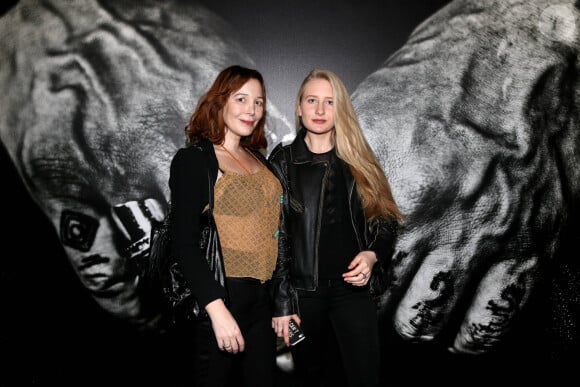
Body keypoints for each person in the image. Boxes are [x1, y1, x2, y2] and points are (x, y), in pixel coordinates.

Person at [268, 68, 402, 387]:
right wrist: (283, 303)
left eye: (329, 102)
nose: (319, 110)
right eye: (311, 100)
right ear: (298, 107)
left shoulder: (358, 158)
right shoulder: (281, 162)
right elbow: (274, 238)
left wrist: (372, 255)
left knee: (365, 377)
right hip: (304, 295)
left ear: (340, 109)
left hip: (353, 293)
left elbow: (385, 219)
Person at [168, 65, 283, 387]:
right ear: (220, 102)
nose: (251, 110)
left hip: (262, 302)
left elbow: (278, 232)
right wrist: (217, 311)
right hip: (219, 297)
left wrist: (283, 302)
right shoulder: (195, 160)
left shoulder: (259, 160)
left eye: (259, 102)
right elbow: (185, 244)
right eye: (242, 98)